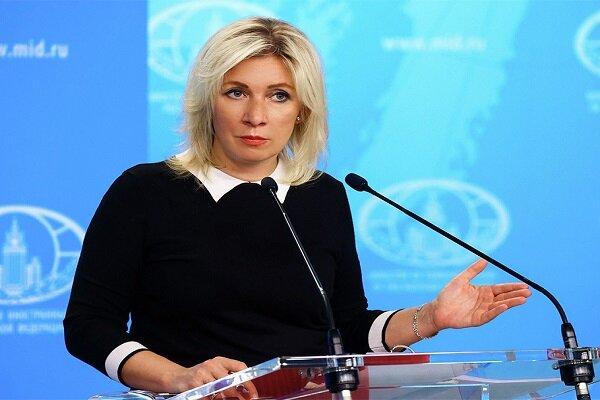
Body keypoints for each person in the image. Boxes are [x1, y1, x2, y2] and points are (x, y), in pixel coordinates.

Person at [63, 17, 531, 396]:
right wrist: (178, 377)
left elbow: (345, 328)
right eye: (236, 92)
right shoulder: (145, 190)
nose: (256, 116)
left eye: (278, 96)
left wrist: (429, 319)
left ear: (302, 110)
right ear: (208, 102)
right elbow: (89, 325)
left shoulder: (322, 195)